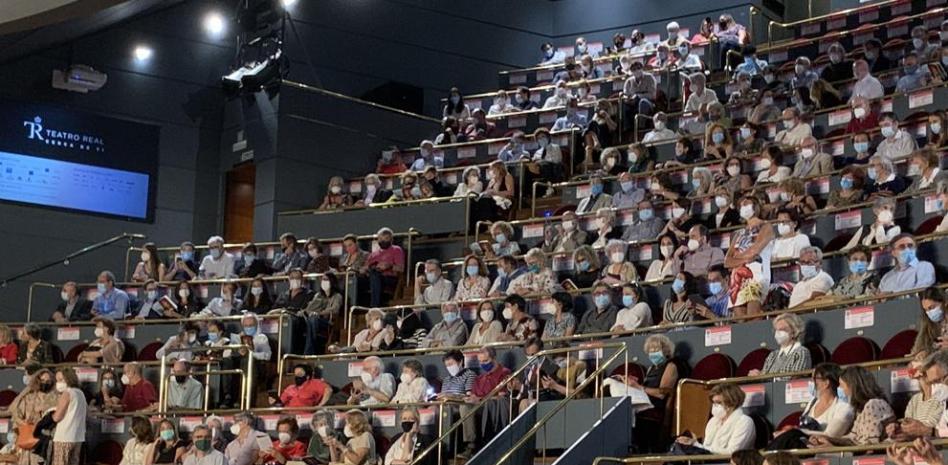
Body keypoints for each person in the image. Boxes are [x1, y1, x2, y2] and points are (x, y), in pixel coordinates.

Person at [772, 363, 854, 449]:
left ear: (826, 383)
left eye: (815, 378)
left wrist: (798, 431)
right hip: (805, 443)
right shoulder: (813, 402)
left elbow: (831, 435)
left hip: (821, 447)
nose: (812, 382)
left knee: (789, 437)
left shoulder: (842, 407)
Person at [809, 366, 894, 446]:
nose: (839, 389)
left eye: (841, 385)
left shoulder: (874, 405)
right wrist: (827, 439)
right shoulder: (861, 410)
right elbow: (852, 438)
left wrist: (832, 448)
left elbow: (870, 445)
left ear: (853, 386)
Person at [724, 195, 774, 317]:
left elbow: (755, 251)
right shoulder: (738, 234)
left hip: (757, 274)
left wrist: (737, 257)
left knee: (753, 314)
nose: (743, 206)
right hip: (737, 277)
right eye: (741, 205)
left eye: (746, 203)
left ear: (756, 207)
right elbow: (727, 261)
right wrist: (745, 259)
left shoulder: (766, 226)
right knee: (740, 317)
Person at [459, 346, 512, 457]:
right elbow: (474, 395)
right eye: (480, 362)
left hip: (493, 407)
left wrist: (480, 399)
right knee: (464, 406)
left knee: (490, 403)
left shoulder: (504, 373)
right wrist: (470, 399)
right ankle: (471, 445)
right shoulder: (479, 378)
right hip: (479, 406)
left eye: (486, 361)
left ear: (494, 358)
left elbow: (501, 397)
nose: (483, 364)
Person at [674, 383, 754, 454]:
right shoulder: (713, 421)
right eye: (713, 402)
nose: (715, 406)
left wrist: (697, 445)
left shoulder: (745, 422)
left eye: (718, 403)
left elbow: (732, 453)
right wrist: (693, 443)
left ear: (731, 403)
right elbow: (706, 449)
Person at [9, 367, 57, 465]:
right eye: (43, 380)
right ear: (37, 381)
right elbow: (16, 415)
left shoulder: (56, 398)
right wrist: (24, 423)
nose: (45, 383)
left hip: (47, 440)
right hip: (30, 438)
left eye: (48, 380)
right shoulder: (28, 398)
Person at [50, 368, 87, 465]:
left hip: (64, 437)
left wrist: (50, 414)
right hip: (78, 437)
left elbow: (57, 417)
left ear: (69, 379)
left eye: (61, 380)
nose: (58, 383)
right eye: (57, 380)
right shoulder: (81, 393)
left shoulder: (67, 393)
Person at [363, 227, 405, 307]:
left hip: (389, 278)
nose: (383, 241)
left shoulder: (396, 250)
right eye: (381, 238)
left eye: (386, 238)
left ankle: (375, 307)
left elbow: (401, 268)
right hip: (372, 277)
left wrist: (389, 266)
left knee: (375, 275)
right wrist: (365, 269)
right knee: (358, 281)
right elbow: (366, 267)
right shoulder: (373, 254)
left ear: (391, 239)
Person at [912, 288, 948, 354]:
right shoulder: (928, 324)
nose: (929, 313)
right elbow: (918, 347)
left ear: (944, 302)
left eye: (931, 308)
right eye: (926, 310)